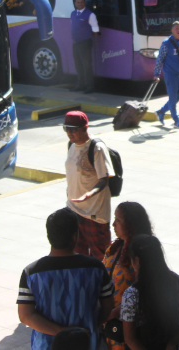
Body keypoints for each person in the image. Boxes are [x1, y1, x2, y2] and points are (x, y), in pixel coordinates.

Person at [18, 208, 114, 350]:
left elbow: (26, 316)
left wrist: (61, 331)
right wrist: (89, 327)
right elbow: (108, 306)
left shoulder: (31, 273)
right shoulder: (96, 268)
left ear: (49, 236)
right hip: (87, 344)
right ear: (74, 236)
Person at [120, 235, 179, 350]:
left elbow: (129, 339)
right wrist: (173, 342)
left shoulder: (131, 294)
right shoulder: (176, 282)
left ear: (137, 260)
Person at [63, 111, 114, 259]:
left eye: (73, 129)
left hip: (94, 214)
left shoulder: (96, 148)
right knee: (77, 257)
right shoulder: (71, 145)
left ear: (85, 128)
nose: (69, 133)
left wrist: (90, 194)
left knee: (101, 258)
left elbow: (104, 178)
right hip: (74, 210)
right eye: (66, 128)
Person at [102, 202, 153, 350]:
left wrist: (113, 313)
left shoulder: (141, 253)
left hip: (127, 325)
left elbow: (143, 291)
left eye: (118, 220)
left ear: (131, 225)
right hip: (108, 323)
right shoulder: (114, 248)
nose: (113, 224)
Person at [153, 21, 179, 129]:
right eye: (176, 28)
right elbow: (160, 58)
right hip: (170, 74)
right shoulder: (166, 43)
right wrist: (156, 74)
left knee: (178, 97)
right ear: (172, 30)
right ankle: (176, 120)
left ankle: (160, 111)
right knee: (173, 99)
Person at [71, 0, 100, 94]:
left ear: (85, 3)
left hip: (84, 43)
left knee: (86, 65)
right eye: (78, 2)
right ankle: (80, 84)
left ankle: (89, 86)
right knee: (78, 64)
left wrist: (86, 37)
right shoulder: (73, 13)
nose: (80, 4)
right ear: (75, 3)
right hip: (75, 43)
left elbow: (95, 30)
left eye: (81, 2)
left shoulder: (90, 14)